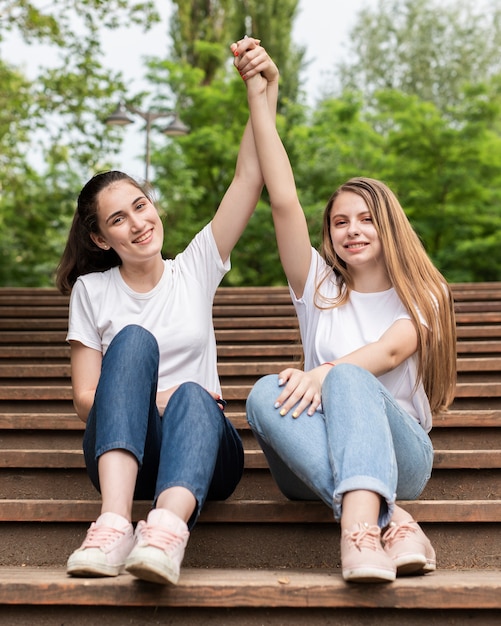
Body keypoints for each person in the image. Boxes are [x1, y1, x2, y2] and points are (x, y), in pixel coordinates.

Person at [55, 38, 278, 585]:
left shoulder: (195, 267)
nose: (137, 223)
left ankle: (165, 533)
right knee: (134, 342)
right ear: (101, 238)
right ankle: (113, 525)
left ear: (153, 206)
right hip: (124, 449)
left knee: (197, 398)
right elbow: (87, 399)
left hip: (203, 446)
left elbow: (250, 177)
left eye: (141, 205)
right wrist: (154, 397)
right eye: (118, 220)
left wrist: (262, 91)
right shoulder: (93, 291)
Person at [236, 43, 457, 583]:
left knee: (351, 376)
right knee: (265, 392)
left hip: (401, 456)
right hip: (311, 455)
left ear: (387, 225)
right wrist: (261, 97)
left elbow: (389, 351)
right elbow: (283, 198)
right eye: (339, 222)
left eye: (364, 219)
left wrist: (325, 372)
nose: (352, 230)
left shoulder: (422, 294)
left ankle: (359, 535)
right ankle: (392, 521)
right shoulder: (320, 289)